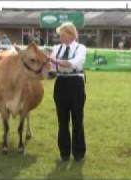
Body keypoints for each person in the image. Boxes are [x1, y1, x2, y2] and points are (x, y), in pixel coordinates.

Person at [49, 22, 87, 162]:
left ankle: (79, 153)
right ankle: (64, 153)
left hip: (76, 84)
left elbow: (73, 63)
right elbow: (52, 67)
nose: (61, 38)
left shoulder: (80, 48)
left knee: (77, 119)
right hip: (60, 84)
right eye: (60, 35)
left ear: (71, 34)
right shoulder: (56, 48)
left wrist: (55, 61)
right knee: (62, 121)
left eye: (63, 35)